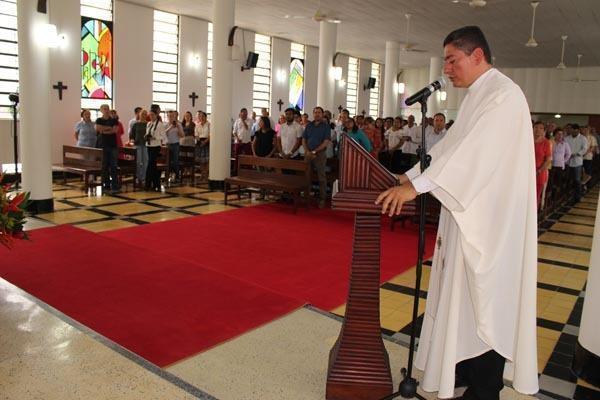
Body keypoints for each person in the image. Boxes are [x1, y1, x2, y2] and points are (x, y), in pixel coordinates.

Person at [375, 26, 538, 400]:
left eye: (452, 59)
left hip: (492, 225)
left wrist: (413, 188)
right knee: (466, 299)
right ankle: (465, 368)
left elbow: (473, 156)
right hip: (471, 216)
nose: (446, 68)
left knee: (488, 301)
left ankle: (485, 389)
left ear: (477, 55)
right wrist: (409, 175)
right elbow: (449, 149)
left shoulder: (504, 96)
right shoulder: (479, 96)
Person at [303, 106, 331, 208]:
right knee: (306, 176)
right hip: (308, 154)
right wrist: (307, 151)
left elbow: (326, 142)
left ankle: (322, 199)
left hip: (319, 154)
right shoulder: (309, 125)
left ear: (322, 114)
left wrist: (315, 151)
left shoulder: (325, 126)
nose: (317, 114)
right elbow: (304, 139)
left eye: (319, 112)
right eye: (315, 112)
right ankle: (306, 197)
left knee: (321, 177)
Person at [96, 104, 120, 193]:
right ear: (101, 110)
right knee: (104, 166)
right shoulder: (99, 120)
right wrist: (109, 128)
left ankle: (115, 185)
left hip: (113, 145)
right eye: (104, 109)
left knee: (113, 166)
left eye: (107, 109)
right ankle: (106, 185)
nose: (106, 110)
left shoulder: (114, 120)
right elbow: (98, 129)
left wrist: (104, 130)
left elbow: (115, 130)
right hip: (102, 145)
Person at [564, 123, 589, 204]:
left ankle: (578, 197)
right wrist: (567, 154)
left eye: (575, 131)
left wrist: (577, 154)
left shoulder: (583, 138)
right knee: (567, 179)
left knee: (577, 180)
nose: (574, 132)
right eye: (572, 130)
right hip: (567, 162)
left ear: (578, 130)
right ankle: (567, 196)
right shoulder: (567, 138)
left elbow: (585, 148)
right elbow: (564, 147)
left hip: (577, 162)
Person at [145, 109, 166, 191]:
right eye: (150, 115)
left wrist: (155, 138)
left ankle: (148, 184)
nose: (151, 116)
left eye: (152, 115)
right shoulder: (149, 123)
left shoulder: (160, 124)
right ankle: (156, 184)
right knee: (152, 166)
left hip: (156, 146)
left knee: (150, 164)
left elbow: (163, 137)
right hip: (149, 145)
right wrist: (146, 136)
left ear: (156, 115)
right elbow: (147, 133)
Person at [533, 121, 552, 208]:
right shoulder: (528, 140)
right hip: (527, 172)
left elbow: (548, 159)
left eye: (540, 128)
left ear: (543, 130)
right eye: (536, 127)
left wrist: (539, 171)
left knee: (536, 195)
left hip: (539, 172)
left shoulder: (546, 142)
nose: (538, 130)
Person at [130, 109, 149, 187]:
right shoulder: (136, 124)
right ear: (139, 115)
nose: (144, 115)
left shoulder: (148, 124)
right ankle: (138, 177)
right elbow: (132, 135)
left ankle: (144, 178)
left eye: (145, 114)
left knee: (145, 161)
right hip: (137, 144)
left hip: (146, 144)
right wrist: (132, 140)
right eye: (142, 114)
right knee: (138, 162)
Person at [164, 111, 184, 182]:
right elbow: (163, 134)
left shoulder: (179, 124)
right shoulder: (165, 125)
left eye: (172, 116)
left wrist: (178, 128)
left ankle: (177, 176)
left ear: (175, 116)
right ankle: (168, 176)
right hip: (168, 145)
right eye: (169, 116)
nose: (171, 117)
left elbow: (182, 135)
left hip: (176, 145)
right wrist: (170, 127)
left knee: (175, 161)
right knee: (168, 161)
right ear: (167, 117)